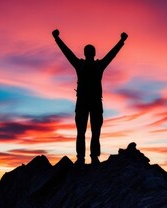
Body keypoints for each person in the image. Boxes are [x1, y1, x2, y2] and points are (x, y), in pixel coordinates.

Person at [52, 29, 128, 165]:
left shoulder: (99, 65)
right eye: (88, 52)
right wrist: (57, 39)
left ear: (92, 54)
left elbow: (112, 54)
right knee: (81, 131)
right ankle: (81, 157)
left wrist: (121, 42)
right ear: (87, 53)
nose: (89, 54)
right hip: (82, 103)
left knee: (95, 131)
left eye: (90, 52)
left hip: (95, 103)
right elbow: (67, 52)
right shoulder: (80, 65)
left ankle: (93, 157)